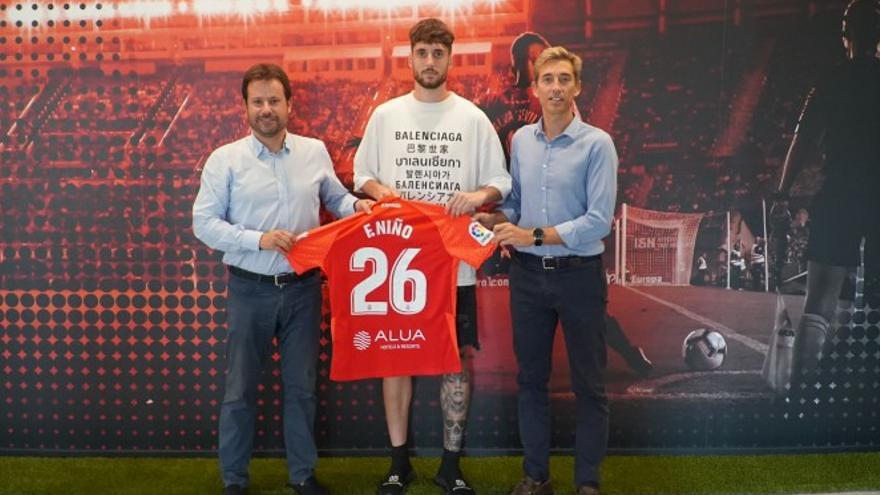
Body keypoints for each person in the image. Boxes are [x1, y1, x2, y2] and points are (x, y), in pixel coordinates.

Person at [192, 63, 373, 495]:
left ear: (290, 104)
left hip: (303, 291)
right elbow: (203, 223)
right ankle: (234, 480)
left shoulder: (313, 151)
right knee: (238, 391)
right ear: (246, 107)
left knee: (302, 389)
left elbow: (335, 198)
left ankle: (302, 475)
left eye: (274, 100)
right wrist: (260, 240)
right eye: (258, 102)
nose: (266, 109)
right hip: (248, 290)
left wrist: (357, 208)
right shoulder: (226, 159)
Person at [352, 18, 511, 495]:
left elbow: (500, 182)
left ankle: (450, 464)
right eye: (421, 52)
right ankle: (399, 463)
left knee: (453, 361)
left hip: (452, 265)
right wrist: (384, 192)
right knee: (394, 360)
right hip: (399, 263)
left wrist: (476, 195)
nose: (429, 61)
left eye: (437, 54)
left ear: (449, 58)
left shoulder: (471, 117)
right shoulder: (386, 116)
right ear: (411, 57)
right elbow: (363, 175)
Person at [476, 45, 617, 495]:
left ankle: (587, 483)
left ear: (577, 86)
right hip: (528, 278)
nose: (555, 87)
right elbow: (517, 206)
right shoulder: (519, 140)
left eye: (563, 79)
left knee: (589, 385)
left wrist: (532, 236)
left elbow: (598, 221)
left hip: (579, 275)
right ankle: (536, 476)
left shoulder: (597, 143)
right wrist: (496, 219)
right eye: (547, 79)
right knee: (530, 380)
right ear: (534, 87)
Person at [480, 30, 652, 375]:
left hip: (553, 228)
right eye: (535, 58)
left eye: (561, 77)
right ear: (520, 62)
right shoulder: (494, 101)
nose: (551, 81)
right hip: (510, 206)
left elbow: (572, 145)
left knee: (589, 315)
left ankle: (629, 355)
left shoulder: (561, 109)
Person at [770, 0, 880, 388]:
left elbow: (800, 143)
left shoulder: (830, 80)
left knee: (820, 300)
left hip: (840, 193)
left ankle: (801, 395)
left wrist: (783, 194)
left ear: (845, 36)